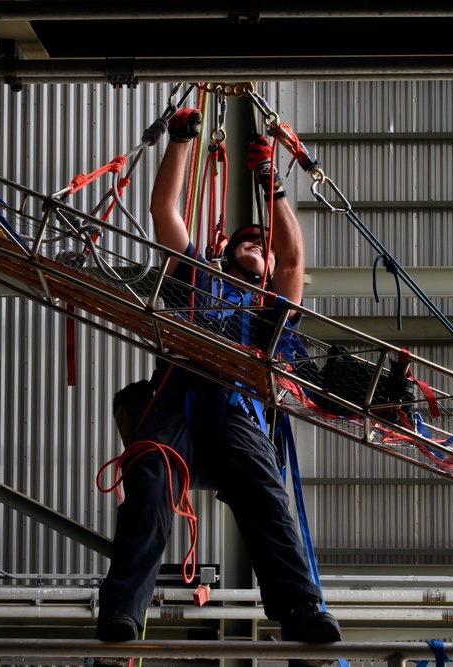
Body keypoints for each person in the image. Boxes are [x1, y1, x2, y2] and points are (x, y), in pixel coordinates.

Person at [94, 108, 341, 666]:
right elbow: (165, 211)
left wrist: (272, 186)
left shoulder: (268, 309)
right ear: (226, 247)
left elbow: (294, 257)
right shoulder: (194, 277)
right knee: (150, 475)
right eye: (246, 241)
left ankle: (301, 609)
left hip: (235, 408)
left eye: (263, 245)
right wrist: (182, 141)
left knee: (263, 492)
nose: (256, 247)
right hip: (178, 397)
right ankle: (123, 611)